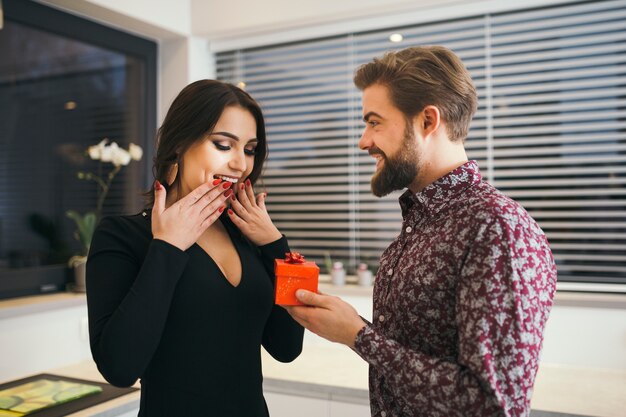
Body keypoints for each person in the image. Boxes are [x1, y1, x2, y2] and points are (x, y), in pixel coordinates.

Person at [286, 46, 557, 417]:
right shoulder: (423, 222)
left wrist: (357, 335)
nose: (363, 141)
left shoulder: (496, 229)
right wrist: (350, 327)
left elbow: (493, 405)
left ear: (428, 121)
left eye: (375, 122)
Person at [86, 80, 304, 416]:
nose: (241, 164)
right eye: (222, 145)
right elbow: (119, 368)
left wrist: (276, 246)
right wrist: (168, 248)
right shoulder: (122, 235)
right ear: (178, 145)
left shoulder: (246, 234)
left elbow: (288, 347)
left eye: (249, 149)